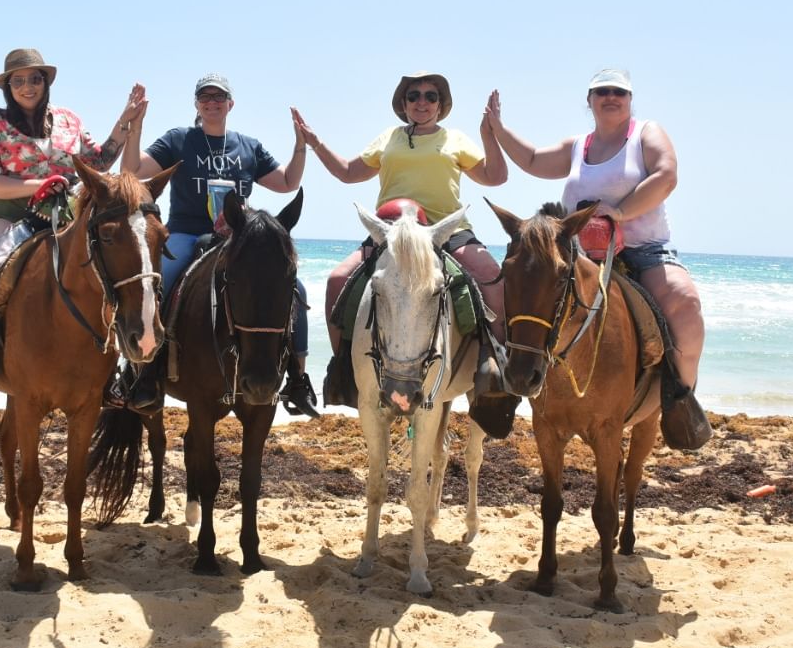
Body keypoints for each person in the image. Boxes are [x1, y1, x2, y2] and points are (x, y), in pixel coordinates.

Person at [485, 68, 708, 419]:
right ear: (589, 101)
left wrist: (619, 212)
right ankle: (505, 392)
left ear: (630, 100)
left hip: (643, 250)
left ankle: (680, 402)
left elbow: (667, 175)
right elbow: (530, 160)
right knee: (525, 298)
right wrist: (498, 129)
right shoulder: (578, 147)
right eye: (601, 91)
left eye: (619, 92)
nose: (610, 97)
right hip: (580, 254)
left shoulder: (645, 134)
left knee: (686, 303)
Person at [0, 47, 146, 420]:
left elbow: (98, 161)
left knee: (108, 272)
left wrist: (126, 120)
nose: (28, 86)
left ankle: (110, 373)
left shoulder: (68, 121)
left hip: (65, 214)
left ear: (45, 82)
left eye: (35, 79)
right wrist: (38, 182)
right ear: (8, 87)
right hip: (10, 214)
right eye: (19, 80)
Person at [292, 71, 509, 406]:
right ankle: (344, 370)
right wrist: (316, 143)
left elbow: (496, 177)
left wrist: (489, 134)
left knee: (494, 283)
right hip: (391, 230)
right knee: (337, 280)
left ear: (441, 104)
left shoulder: (456, 140)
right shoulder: (389, 138)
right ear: (403, 103)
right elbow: (348, 173)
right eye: (414, 96)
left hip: (444, 230)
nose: (422, 102)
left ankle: (494, 368)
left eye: (430, 96)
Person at [118, 73, 319, 418]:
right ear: (196, 104)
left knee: (294, 288)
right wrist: (134, 127)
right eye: (205, 97)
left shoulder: (248, 146)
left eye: (219, 97)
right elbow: (132, 171)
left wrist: (301, 145)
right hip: (185, 233)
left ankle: (298, 379)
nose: (212, 103)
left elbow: (288, 182)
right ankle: (144, 371)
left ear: (230, 104)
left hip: (238, 239)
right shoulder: (179, 140)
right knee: (157, 282)